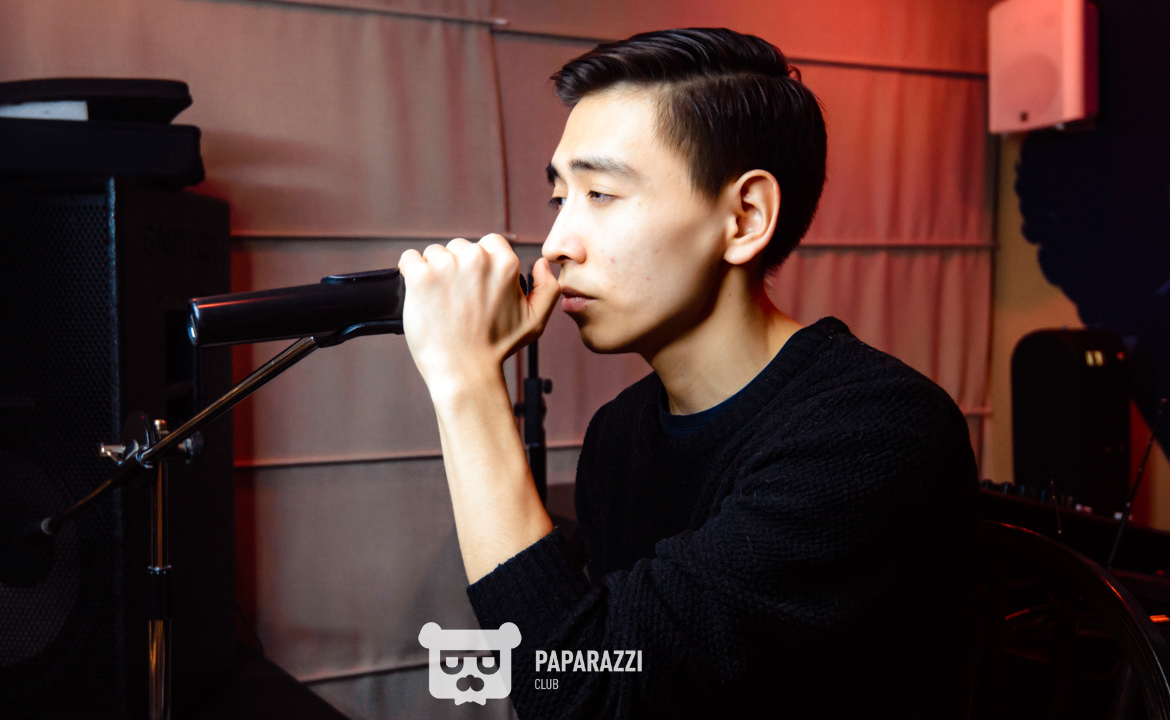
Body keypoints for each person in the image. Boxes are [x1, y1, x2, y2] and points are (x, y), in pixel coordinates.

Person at [397, 28, 978, 719]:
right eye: (560, 198)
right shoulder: (619, 436)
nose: (554, 246)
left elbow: (587, 697)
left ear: (745, 218)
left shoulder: (875, 435)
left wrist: (466, 382)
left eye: (601, 193)